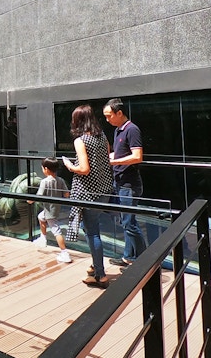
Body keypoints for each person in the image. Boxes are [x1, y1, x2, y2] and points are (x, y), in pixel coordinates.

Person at [62, 104, 114, 289]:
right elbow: (106, 161)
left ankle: (100, 275)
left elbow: (84, 169)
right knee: (93, 229)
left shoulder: (81, 140)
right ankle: (95, 264)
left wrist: (69, 166)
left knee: (92, 233)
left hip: (87, 194)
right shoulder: (103, 137)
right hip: (104, 191)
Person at [103, 98, 147, 268]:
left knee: (129, 223)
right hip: (120, 182)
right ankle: (128, 258)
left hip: (129, 185)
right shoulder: (118, 130)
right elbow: (119, 153)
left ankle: (143, 262)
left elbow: (137, 156)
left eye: (109, 116)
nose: (107, 119)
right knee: (127, 222)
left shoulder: (132, 129)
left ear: (119, 113)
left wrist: (113, 162)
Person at [28, 157, 72, 263]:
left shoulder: (45, 182)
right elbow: (66, 194)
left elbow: (39, 195)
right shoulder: (60, 180)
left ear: (46, 169)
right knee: (40, 217)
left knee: (56, 230)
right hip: (55, 207)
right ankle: (43, 238)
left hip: (49, 211)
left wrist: (30, 200)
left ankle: (64, 253)